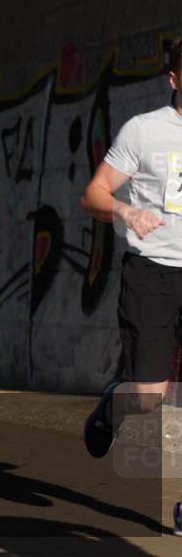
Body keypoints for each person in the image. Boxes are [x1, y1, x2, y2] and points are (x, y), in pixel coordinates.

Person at [80, 36, 181, 524]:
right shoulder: (143, 131)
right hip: (153, 273)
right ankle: (113, 408)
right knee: (149, 396)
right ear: (175, 79)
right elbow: (94, 194)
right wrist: (127, 212)